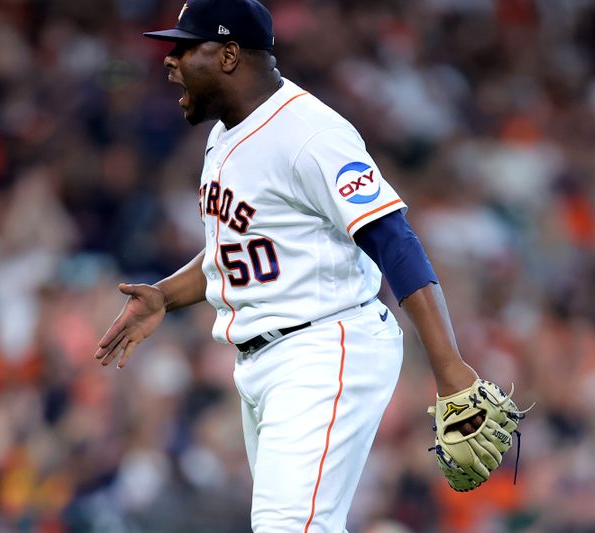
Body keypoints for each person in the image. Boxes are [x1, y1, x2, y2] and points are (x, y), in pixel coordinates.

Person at [95, 0, 484, 530]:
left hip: (324, 347)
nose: (170, 59)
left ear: (229, 54)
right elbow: (245, 248)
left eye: (185, 47)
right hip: (264, 360)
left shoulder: (310, 133)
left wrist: (450, 370)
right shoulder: (225, 135)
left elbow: (394, 240)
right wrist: (166, 294)